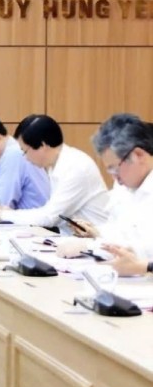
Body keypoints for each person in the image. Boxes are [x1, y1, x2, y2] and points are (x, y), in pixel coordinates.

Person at [57, 114, 153, 276]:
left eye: (115, 168)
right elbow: (119, 229)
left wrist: (90, 247)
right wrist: (95, 235)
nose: (114, 177)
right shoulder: (126, 185)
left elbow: (144, 248)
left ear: (138, 155)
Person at [0, 114, 110, 230]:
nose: (25, 158)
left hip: (95, 244)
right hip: (73, 238)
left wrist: (3, 214)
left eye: (25, 151)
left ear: (42, 145)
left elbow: (49, 217)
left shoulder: (75, 167)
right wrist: (9, 214)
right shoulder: (56, 165)